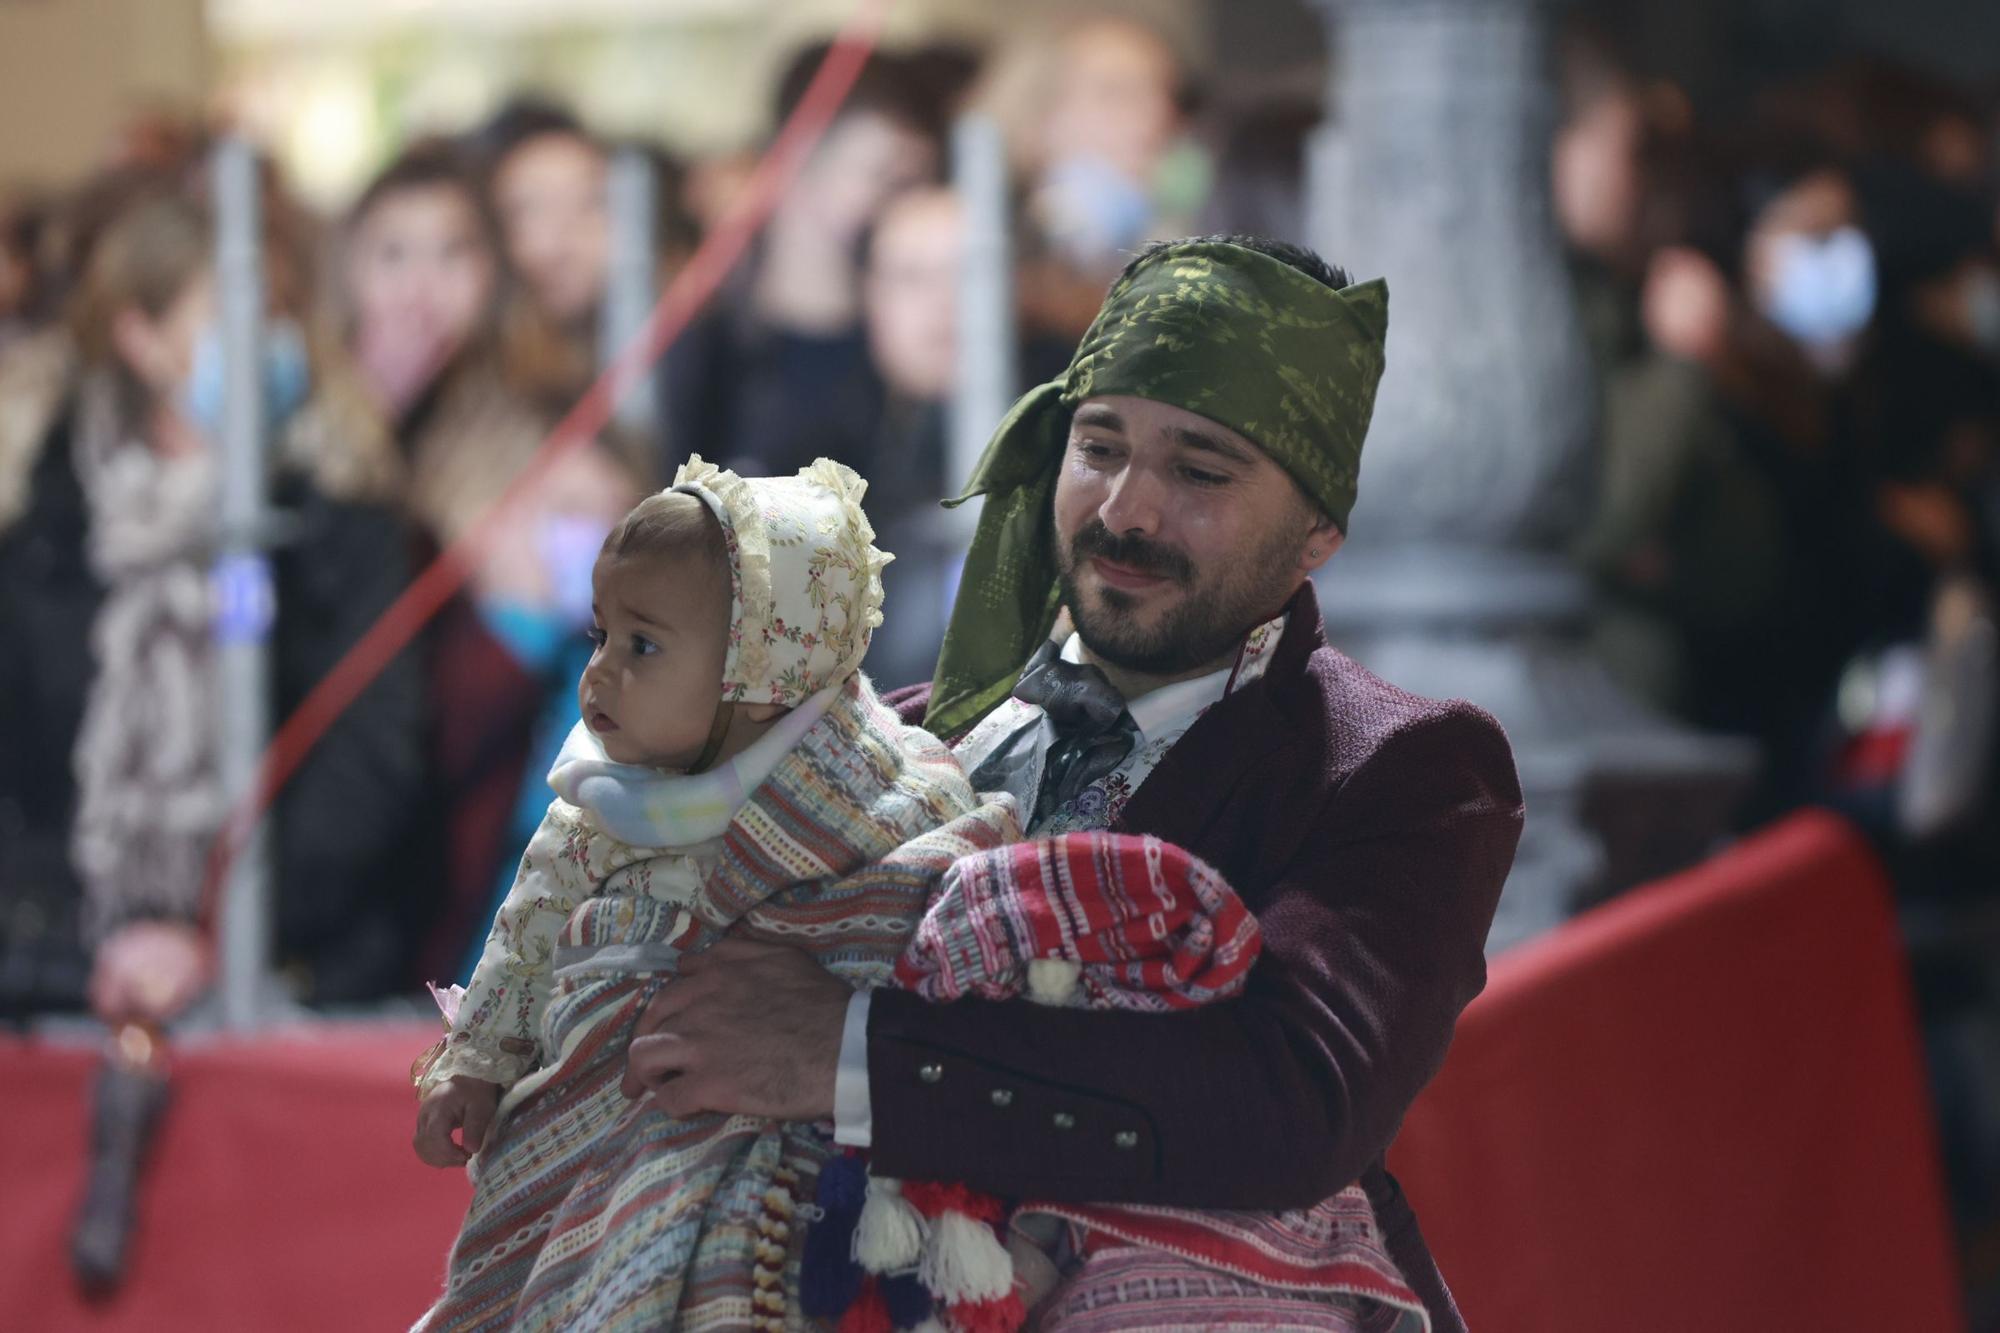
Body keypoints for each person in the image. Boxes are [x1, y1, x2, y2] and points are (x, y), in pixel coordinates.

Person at [614, 235, 1526, 1331]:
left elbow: (1293, 1099)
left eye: (1198, 472)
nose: (1125, 510)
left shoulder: (1395, 766)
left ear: (1316, 532)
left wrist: (846, 1049)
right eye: (1099, 447)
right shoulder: (895, 738)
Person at [411, 458, 1018, 1331]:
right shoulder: (601, 803)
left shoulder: (868, 788)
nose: (602, 674)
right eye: (600, 635)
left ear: (760, 666)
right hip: (602, 1134)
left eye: (642, 645)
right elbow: (528, 936)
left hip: (789, 1154)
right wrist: (475, 1062)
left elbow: (928, 892)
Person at [0, 186, 425, 1019]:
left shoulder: (340, 511)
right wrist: (94, 942)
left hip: (295, 971)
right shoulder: (36, 519)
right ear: (140, 336)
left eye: (280, 316)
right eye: (233, 318)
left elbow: (372, 755)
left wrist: (226, 931)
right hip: (60, 985)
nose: (267, 345)